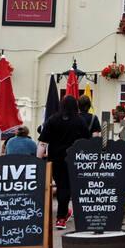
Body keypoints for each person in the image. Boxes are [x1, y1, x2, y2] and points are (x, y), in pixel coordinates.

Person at [39, 95, 91, 228]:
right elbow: (87, 142)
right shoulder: (79, 121)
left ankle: (63, 214)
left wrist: (37, 160)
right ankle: (61, 218)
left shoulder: (53, 119)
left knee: (61, 185)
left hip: (55, 158)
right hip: (73, 158)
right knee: (66, 187)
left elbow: (43, 142)